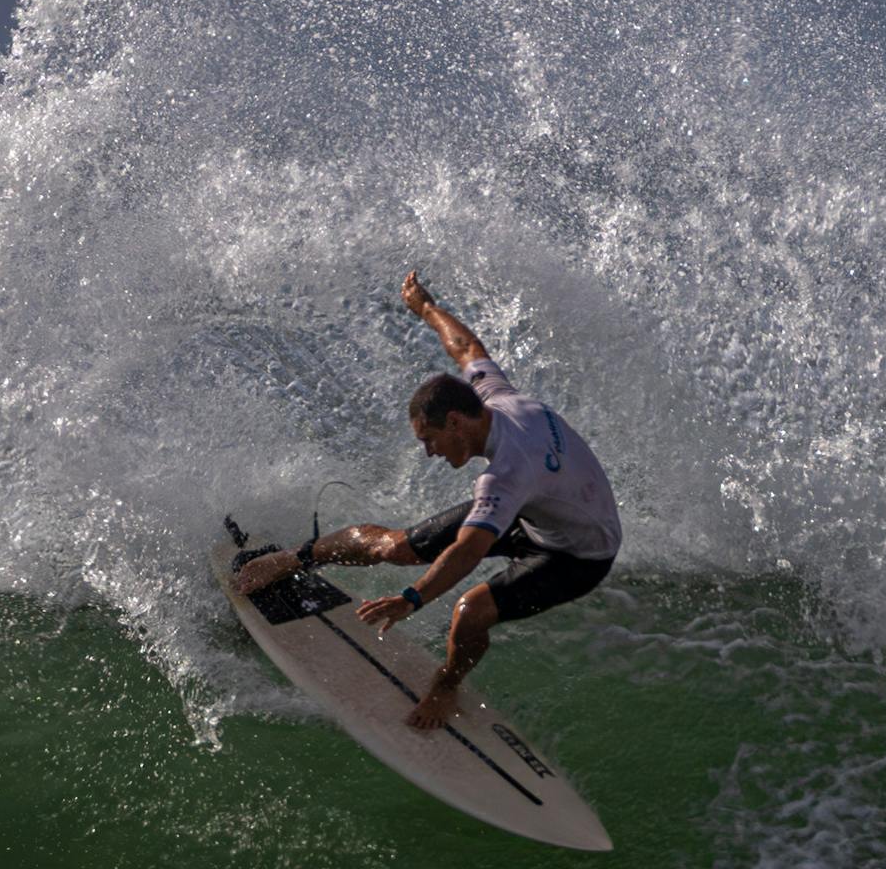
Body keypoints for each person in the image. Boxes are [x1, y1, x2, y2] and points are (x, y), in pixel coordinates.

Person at [232, 271, 622, 729]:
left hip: (578, 554)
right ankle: (295, 558)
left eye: (430, 439)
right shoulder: (500, 400)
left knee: (470, 612)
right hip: (537, 512)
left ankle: (445, 688)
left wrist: (412, 599)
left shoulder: (506, 476)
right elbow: (467, 350)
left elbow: (467, 551)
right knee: (396, 547)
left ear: (456, 422)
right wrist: (426, 309)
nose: (429, 452)